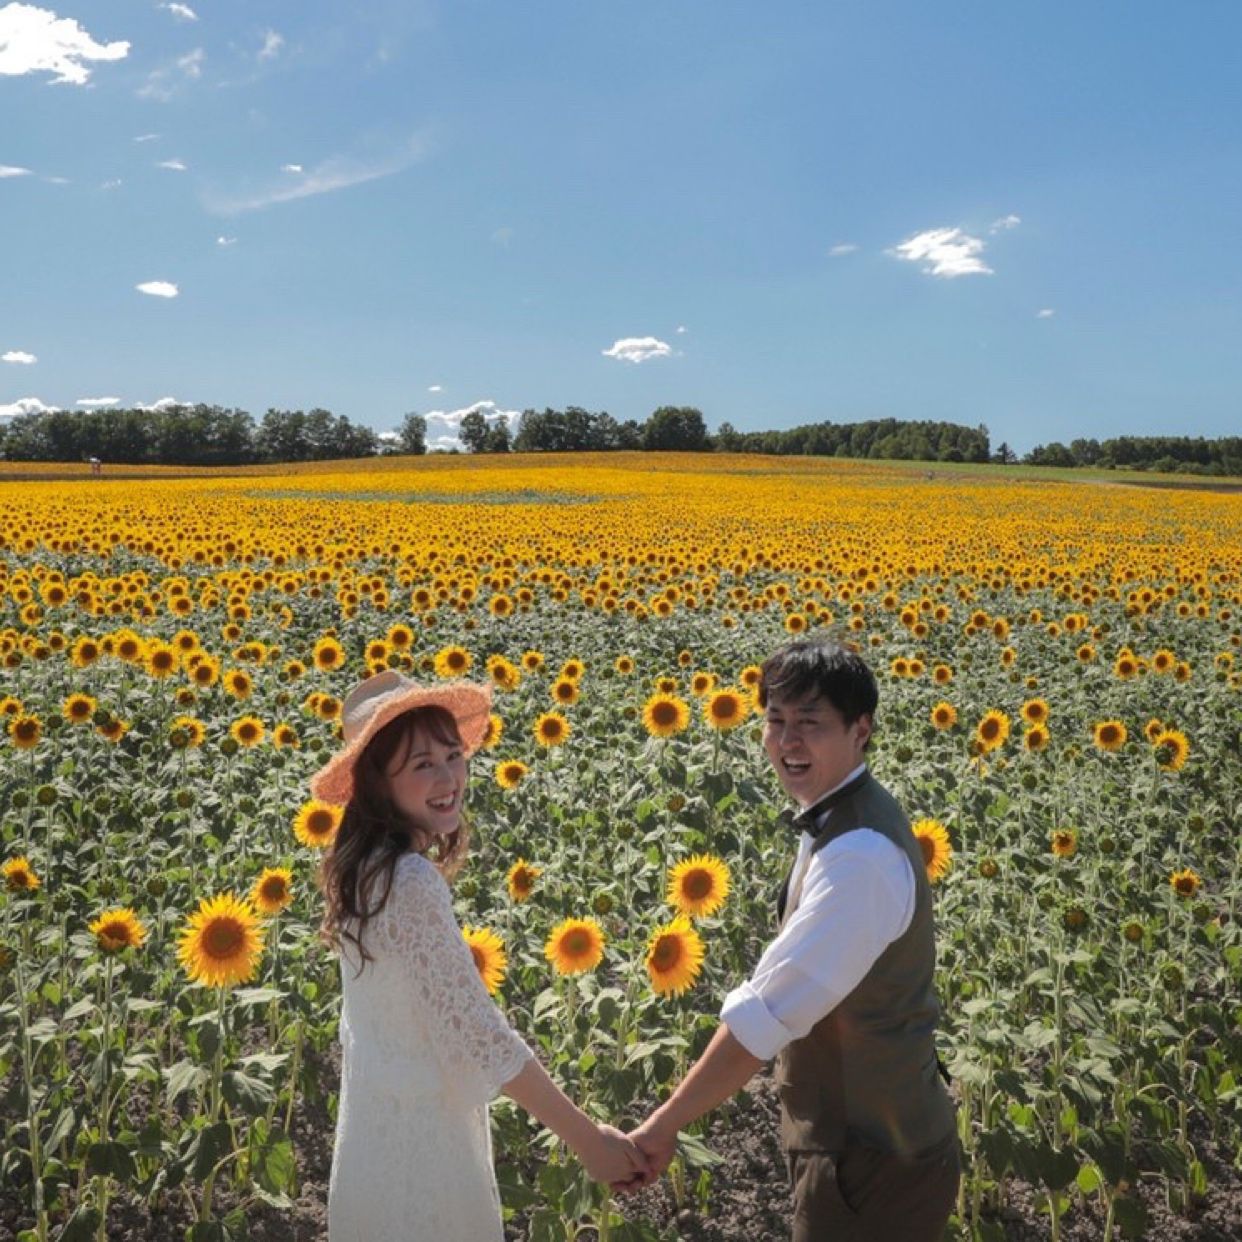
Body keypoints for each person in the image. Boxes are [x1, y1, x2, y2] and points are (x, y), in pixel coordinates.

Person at [623, 638, 959, 1241]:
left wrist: (663, 1125)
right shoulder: (838, 815)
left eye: (810, 723)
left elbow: (768, 1015)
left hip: (875, 1160)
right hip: (860, 1143)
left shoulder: (860, 857)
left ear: (862, 730)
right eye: (775, 721)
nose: (787, 741)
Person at [310, 670, 648, 1241]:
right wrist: (589, 1141)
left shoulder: (363, 873)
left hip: (372, 1143)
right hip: (423, 1153)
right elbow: (479, 1033)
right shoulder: (409, 883)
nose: (448, 777)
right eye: (422, 765)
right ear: (376, 784)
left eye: (453, 755)